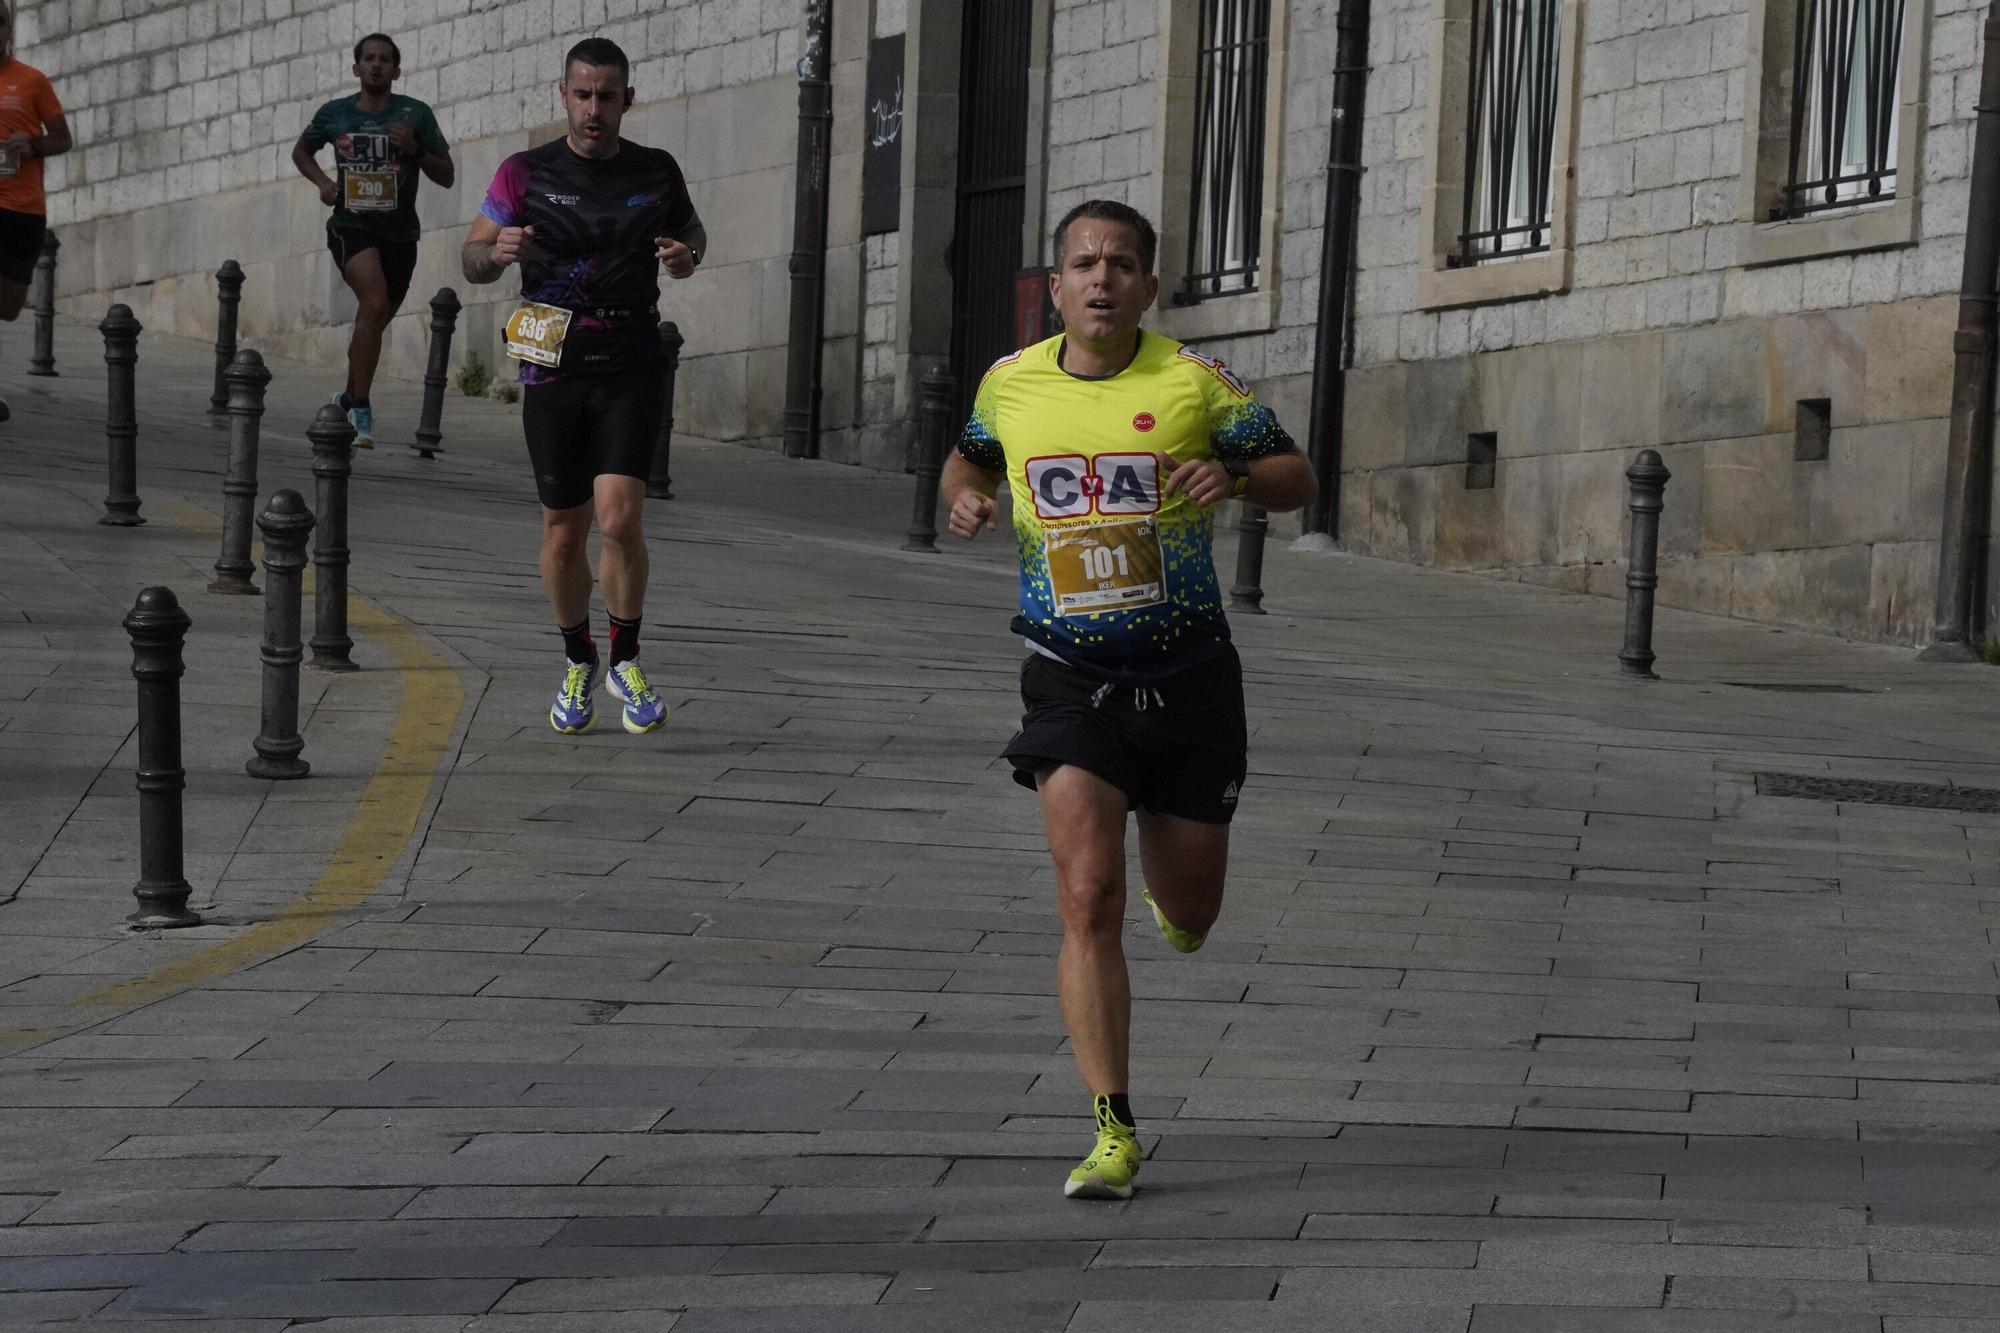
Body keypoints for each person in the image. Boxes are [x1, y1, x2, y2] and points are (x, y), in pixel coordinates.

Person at [939, 199, 1317, 1200]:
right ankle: (1111, 1126)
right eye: (1080, 263)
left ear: (1149, 286)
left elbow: (1295, 475)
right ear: (1052, 288)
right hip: (1068, 674)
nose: (1099, 279)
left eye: (1119, 264)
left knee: (1188, 913)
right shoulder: (1010, 385)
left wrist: (1230, 475)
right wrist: (963, 497)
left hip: (1189, 677)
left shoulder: (1193, 382)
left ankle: (1173, 892)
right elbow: (968, 457)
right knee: (1083, 894)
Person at [461, 37, 705, 736]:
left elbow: (690, 231)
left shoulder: (656, 171)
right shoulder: (524, 172)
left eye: (607, 95)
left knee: (621, 517)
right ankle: (578, 657)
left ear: (627, 99)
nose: (594, 108)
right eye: (582, 94)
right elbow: (473, 255)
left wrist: (689, 255)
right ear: (562, 95)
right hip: (551, 361)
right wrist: (493, 251)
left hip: (630, 357)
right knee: (563, 532)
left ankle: (627, 655)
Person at [292, 33, 453, 447]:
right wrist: (324, 183)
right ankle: (361, 408)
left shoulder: (414, 114)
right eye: (369, 59)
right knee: (375, 302)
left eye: (385, 60)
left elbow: (446, 174)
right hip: (352, 225)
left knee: (375, 319)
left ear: (396, 70)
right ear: (356, 68)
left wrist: (415, 150)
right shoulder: (335, 114)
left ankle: (345, 397)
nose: (377, 65)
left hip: (400, 232)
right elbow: (301, 152)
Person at [0, 0, 70, 424]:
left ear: (9, 28)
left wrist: (32, 144)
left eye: (0, 21)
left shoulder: (32, 81)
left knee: (7, 307)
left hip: (24, 209)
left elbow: (63, 138)